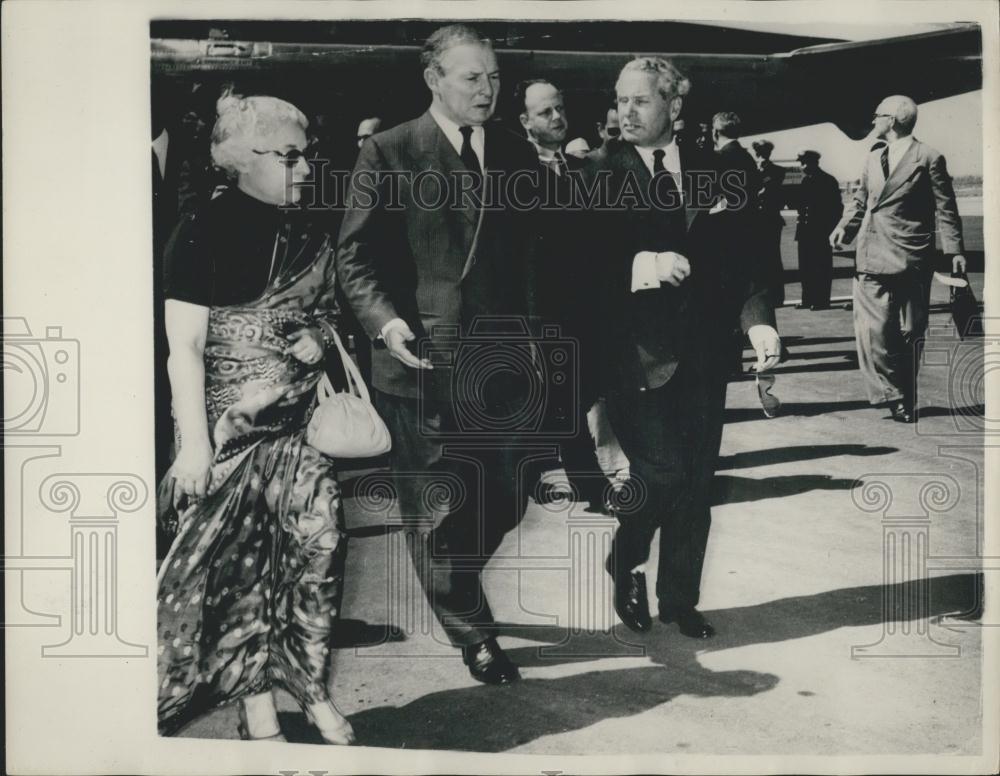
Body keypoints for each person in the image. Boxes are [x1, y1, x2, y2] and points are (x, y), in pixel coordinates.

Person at [336, 24, 539, 685]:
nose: (487, 90)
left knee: (508, 493)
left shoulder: (513, 151)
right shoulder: (389, 151)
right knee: (436, 507)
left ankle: (453, 575)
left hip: (501, 361)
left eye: (495, 77)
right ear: (435, 80)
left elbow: (538, 256)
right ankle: (473, 633)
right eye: (471, 77)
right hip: (419, 359)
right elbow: (355, 254)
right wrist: (386, 324)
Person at [156, 92, 355, 745]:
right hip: (230, 429)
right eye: (289, 157)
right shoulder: (199, 229)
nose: (304, 169)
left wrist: (322, 337)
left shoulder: (308, 228)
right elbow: (181, 347)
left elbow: (331, 310)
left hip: (299, 423)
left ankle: (308, 683)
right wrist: (191, 448)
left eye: (307, 156)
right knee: (241, 570)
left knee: (318, 549)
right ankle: (259, 706)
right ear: (242, 160)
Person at [576, 57, 781, 638]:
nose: (626, 112)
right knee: (661, 472)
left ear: (675, 107)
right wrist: (640, 266)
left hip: (705, 356)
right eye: (621, 101)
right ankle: (628, 556)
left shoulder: (719, 172)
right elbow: (572, 269)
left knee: (696, 482)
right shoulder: (593, 173)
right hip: (631, 356)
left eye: (640, 101)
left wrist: (759, 323)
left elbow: (746, 264)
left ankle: (680, 599)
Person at [831, 94, 966, 423]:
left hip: (911, 256)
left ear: (892, 120)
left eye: (877, 115)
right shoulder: (873, 155)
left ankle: (905, 389)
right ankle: (895, 396)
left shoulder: (928, 157)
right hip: (870, 253)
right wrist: (843, 228)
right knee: (874, 331)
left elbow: (946, 208)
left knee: (911, 330)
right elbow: (860, 200)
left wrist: (955, 251)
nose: (873, 120)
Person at [516, 78, 609, 513]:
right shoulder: (511, 172)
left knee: (572, 392)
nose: (557, 118)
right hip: (535, 306)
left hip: (580, 304)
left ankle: (540, 471)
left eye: (559, 108)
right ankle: (589, 484)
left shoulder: (579, 167)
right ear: (525, 122)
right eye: (545, 112)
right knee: (560, 395)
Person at [794, 149, 842, 310]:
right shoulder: (805, 181)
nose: (802, 166)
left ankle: (821, 300)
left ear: (814, 162)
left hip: (821, 232)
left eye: (804, 163)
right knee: (805, 266)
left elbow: (836, 208)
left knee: (820, 266)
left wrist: (830, 230)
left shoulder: (828, 181)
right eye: (801, 163)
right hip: (805, 231)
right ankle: (807, 298)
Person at [752, 139, 788, 307]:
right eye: (759, 151)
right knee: (759, 259)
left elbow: (770, 192)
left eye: (763, 151)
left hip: (770, 219)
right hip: (756, 221)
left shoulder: (778, 171)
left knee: (772, 259)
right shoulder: (752, 170)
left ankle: (776, 296)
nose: (761, 154)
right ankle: (763, 295)